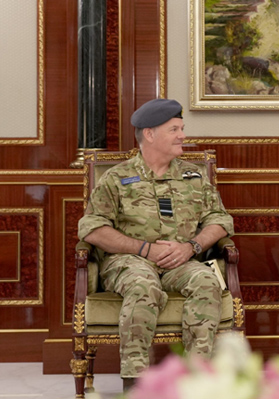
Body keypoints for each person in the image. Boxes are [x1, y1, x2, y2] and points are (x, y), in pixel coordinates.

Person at [77, 98, 234, 390]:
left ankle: (196, 381)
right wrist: (143, 249)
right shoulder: (116, 178)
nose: (183, 136)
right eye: (174, 129)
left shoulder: (194, 176)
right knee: (142, 284)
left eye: (182, 128)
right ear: (149, 134)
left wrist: (192, 246)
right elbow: (91, 228)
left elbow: (221, 220)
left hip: (181, 260)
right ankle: (136, 386)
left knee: (206, 281)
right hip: (129, 261)